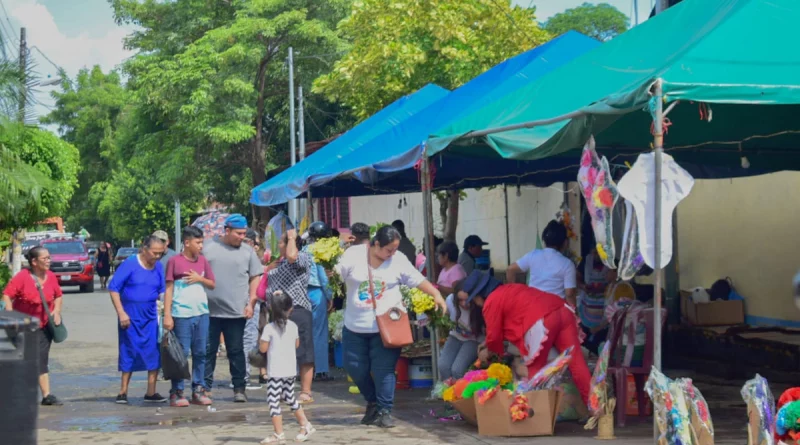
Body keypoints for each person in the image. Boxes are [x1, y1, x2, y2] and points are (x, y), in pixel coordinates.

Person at [335, 225, 447, 428]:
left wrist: (436, 295)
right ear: (375, 244)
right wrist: (333, 264)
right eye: (389, 250)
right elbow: (337, 273)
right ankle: (373, 401)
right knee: (355, 368)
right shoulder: (354, 254)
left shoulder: (398, 260)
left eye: (395, 250)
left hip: (388, 327)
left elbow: (417, 279)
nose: (392, 254)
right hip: (355, 326)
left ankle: (385, 410)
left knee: (384, 370)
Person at [462, 270, 590, 405]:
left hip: (542, 320)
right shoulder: (509, 289)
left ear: (479, 295)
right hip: (562, 309)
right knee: (577, 363)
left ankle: (538, 416)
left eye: (474, 299)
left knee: (536, 372)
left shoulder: (491, 302)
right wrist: (487, 343)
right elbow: (497, 333)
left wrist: (488, 354)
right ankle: (596, 409)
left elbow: (494, 339)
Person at [203, 214, 263, 403]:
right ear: (226, 231)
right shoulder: (208, 248)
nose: (241, 237)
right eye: (238, 233)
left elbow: (255, 277)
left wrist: (251, 302)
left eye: (244, 233)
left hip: (236, 312)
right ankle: (204, 388)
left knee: (236, 351)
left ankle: (239, 388)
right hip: (209, 311)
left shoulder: (248, 252)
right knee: (208, 350)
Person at [108, 235, 168, 404]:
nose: (156, 257)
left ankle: (151, 392)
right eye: (154, 253)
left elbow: (162, 291)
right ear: (144, 248)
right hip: (130, 316)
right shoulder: (130, 264)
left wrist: (166, 310)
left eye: (160, 253)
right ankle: (123, 391)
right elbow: (113, 289)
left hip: (151, 316)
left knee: (153, 352)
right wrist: (121, 313)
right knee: (129, 351)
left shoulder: (158, 267)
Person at [2, 246, 64, 406]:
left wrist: (56, 311)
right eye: (45, 258)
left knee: (40, 359)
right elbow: (7, 295)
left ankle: (47, 395)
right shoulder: (22, 277)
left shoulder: (50, 276)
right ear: (34, 261)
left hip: (44, 326)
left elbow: (58, 295)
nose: (49, 261)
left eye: (49, 257)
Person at [162, 226, 215, 407]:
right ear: (187, 242)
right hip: (181, 314)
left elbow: (212, 284)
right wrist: (167, 315)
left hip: (202, 313)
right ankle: (177, 391)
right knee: (180, 355)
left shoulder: (203, 261)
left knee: (201, 352)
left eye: (202, 242)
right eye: (198, 242)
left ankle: (198, 389)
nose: (201, 246)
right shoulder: (174, 262)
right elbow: (168, 289)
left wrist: (200, 279)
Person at [259, 291, 316, 444]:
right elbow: (297, 344)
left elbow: (263, 349)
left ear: (271, 308)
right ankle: (305, 425)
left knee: (273, 401)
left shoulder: (269, 328)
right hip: (290, 370)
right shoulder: (293, 326)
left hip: (276, 372)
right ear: (290, 309)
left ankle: (279, 434)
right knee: (290, 398)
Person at [267, 228, 315, 403]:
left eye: (281, 242)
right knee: (279, 352)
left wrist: (292, 237)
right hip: (277, 312)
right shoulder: (278, 263)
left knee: (303, 352)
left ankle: (306, 391)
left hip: (298, 310)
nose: (278, 245)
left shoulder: (301, 258)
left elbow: (292, 256)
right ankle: (281, 390)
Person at [506, 220, 578, 307]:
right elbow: (569, 294)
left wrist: (514, 294)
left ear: (544, 241)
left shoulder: (533, 255)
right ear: (565, 243)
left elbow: (510, 269)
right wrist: (573, 313)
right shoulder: (568, 264)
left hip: (532, 308)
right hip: (554, 311)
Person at [303, 221, 335, 382]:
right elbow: (324, 278)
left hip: (302, 293)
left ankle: (302, 370)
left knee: (304, 332)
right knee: (319, 332)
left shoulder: (303, 250)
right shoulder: (320, 251)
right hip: (317, 292)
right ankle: (321, 370)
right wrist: (329, 296)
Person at [438, 280, 483, 381]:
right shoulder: (450, 300)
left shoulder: (479, 306)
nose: (464, 304)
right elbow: (446, 315)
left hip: (474, 340)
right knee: (443, 366)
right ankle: (448, 392)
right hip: (455, 336)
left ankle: (459, 394)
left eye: (467, 300)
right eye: (460, 300)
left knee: (457, 370)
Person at [576, 247, 616, 354]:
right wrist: (583, 286)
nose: (605, 275)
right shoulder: (587, 261)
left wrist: (599, 327)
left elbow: (614, 314)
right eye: (594, 253)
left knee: (599, 341)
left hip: (604, 317)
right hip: (588, 305)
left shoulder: (617, 289)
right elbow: (577, 276)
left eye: (608, 272)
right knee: (586, 339)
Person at [242, 227, 268, 390]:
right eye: (256, 243)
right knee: (249, 339)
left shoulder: (247, 256)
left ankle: (244, 375)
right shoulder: (247, 256)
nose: (257, 246)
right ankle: (243, 377)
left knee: (251, 337)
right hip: (250, 301)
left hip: (253, 301)